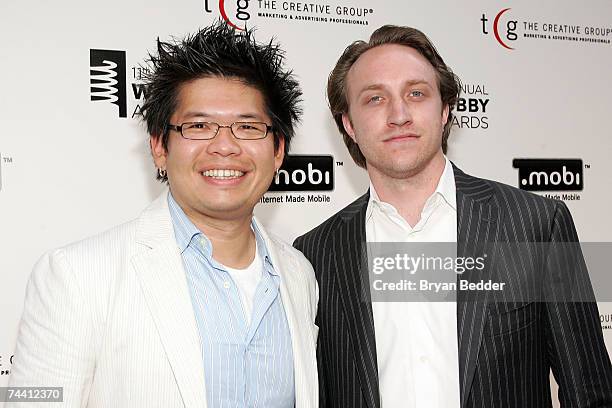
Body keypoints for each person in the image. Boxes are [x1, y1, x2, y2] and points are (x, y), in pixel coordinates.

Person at [294, 25, 612, 407]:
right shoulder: (315, 253)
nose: (399, 114)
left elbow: (590, 392)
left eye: (416, 93)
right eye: (375, 99)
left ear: (445, 110)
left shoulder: (536, 224)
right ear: (349, 124)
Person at [9, 22, 318, 408]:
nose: (225, 145)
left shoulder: (299, 274)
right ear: (159, 147)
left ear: (278, 151)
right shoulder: (76, 275)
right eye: (199, 126)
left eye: (248, 126)